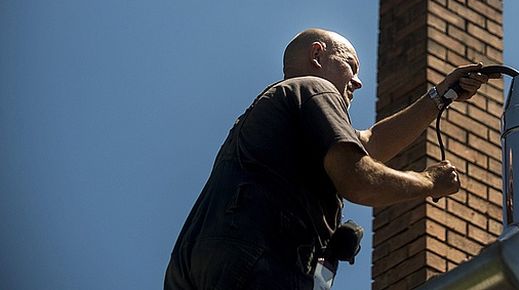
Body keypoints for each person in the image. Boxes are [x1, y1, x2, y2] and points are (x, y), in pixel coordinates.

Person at [165, 28, 491, 289]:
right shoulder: (314, 88)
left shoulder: (276, 111)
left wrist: (439, 97)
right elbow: (358, 179)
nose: (358, 82)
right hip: (261, 261)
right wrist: (429, 182)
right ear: (318, 55)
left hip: (198, 268)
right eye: (350, 65)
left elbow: (368, 142)